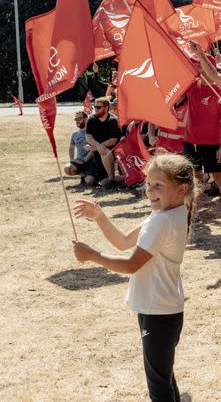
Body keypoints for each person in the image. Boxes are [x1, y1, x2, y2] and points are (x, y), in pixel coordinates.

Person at [72, 153, 194, 402]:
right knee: (164, 377)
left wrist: (92, 255)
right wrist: (100, 217)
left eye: (158, 185)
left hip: (158, 311)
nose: (149, 191)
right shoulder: (168, 214)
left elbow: (130, 265)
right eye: (148, 184)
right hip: (162, 308)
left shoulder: (163, 221)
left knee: (159, 387)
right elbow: (124, 241)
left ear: (182, 189)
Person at [182, 56, 221, 218]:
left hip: (211, 143)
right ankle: (190, 215)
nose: (197, 67)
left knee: (220, 178)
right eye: (197, 65)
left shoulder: (219, 90)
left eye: (200, 64)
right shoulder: (191, 85)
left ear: (209, 67)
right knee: (192, 180)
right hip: (190, 141)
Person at [85, 97, 122, 188]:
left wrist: (97, 147)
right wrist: (98, 146)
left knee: (104, 151)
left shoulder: (113, 120)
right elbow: (88, 137)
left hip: (112, 153)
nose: (95, 109)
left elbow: (113, 140)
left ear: (106, 108)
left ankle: (113, 180)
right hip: (97, 154)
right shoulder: (91, 119)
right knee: (101, 182)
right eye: (95, 107)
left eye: (98, 107)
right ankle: (120, 179)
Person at [64, 110, 95, 185]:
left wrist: (84, 161)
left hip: (91, 161)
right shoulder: (75, 134)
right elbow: (71, 148)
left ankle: (90, 176)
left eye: (79, 118)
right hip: (79, 160)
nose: (77, 121)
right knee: (67, 169)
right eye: (76, 119)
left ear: (86, 119)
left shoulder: (92, 132)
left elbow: (94, 149)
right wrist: (72, 160)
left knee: (90, 182)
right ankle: (82, 175)